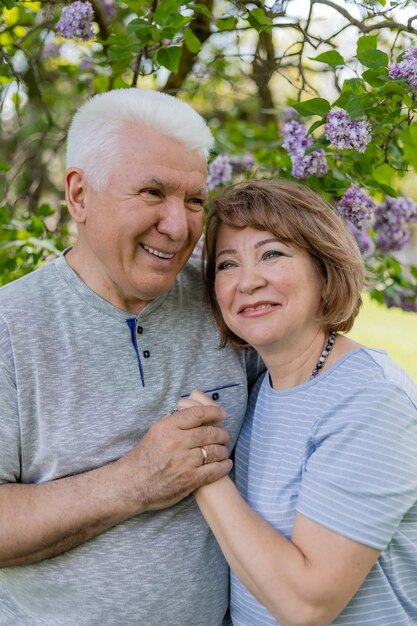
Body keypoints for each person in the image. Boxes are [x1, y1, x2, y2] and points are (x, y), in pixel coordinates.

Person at [0, 89, 262, 625]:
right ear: (79, 195)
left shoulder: (227, 299)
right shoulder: (10, 328)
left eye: (194, 200)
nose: (179, 226)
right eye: (152, 192)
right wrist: (135, 482)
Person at [178, 179, 417, 626]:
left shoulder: (369, 402)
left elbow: (306, 604)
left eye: (272, 254)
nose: (247, 281)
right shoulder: (263, 384)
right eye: (228, 265)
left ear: (325, 270)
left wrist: (201, 467)